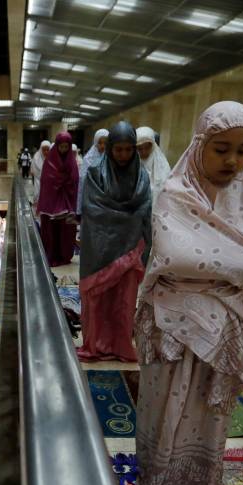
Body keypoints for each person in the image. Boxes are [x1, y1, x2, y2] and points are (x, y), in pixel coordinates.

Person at [132, 101, 243, 485]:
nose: (233, 160)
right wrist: (228, 267)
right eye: (221, 148)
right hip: (173, 328)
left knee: (206, 411)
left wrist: (209, 266)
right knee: (163, 404)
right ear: (199, 145)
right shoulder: (174, 194)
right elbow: (175, 255)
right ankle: (157, 480)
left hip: (226, 327)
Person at [77, 121, 152, 363]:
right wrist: (126, 219)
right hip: (100, 250)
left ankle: (120, 345)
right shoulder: (95, 173)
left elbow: (145, 212)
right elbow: (93, 211)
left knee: (124, 300)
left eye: (128, 149)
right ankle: (96, 345)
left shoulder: (142, 176)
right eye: (118, 149)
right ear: (110, 149)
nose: (123, 154)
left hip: (130, 250)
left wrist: (133, 231)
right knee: (99, 301)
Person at [36, 132, 79, 267]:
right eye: (61, 147)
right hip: (51, 206)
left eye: (67, 147)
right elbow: (46, 181)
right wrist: (60, 181)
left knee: (65, 231)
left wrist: (66, 182)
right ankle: (51, 255)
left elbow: (75, 180)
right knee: (51, 232)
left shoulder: (72, 162)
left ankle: (64, 255)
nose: (64, 150)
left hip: (67, 205)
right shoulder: (50, 162)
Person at [76, 128, 109, 216]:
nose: (102, 146)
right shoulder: (88, 159)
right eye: (100, 143)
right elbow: (83, 179)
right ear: (95, 142)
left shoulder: (112, 157)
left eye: (105, 143)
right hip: (91, 196)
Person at [136, 126, 172, 203]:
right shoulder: (131, 166)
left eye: (147, 148)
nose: (144, 152)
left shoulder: (163, 166)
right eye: (140, 148)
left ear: (153, 146)